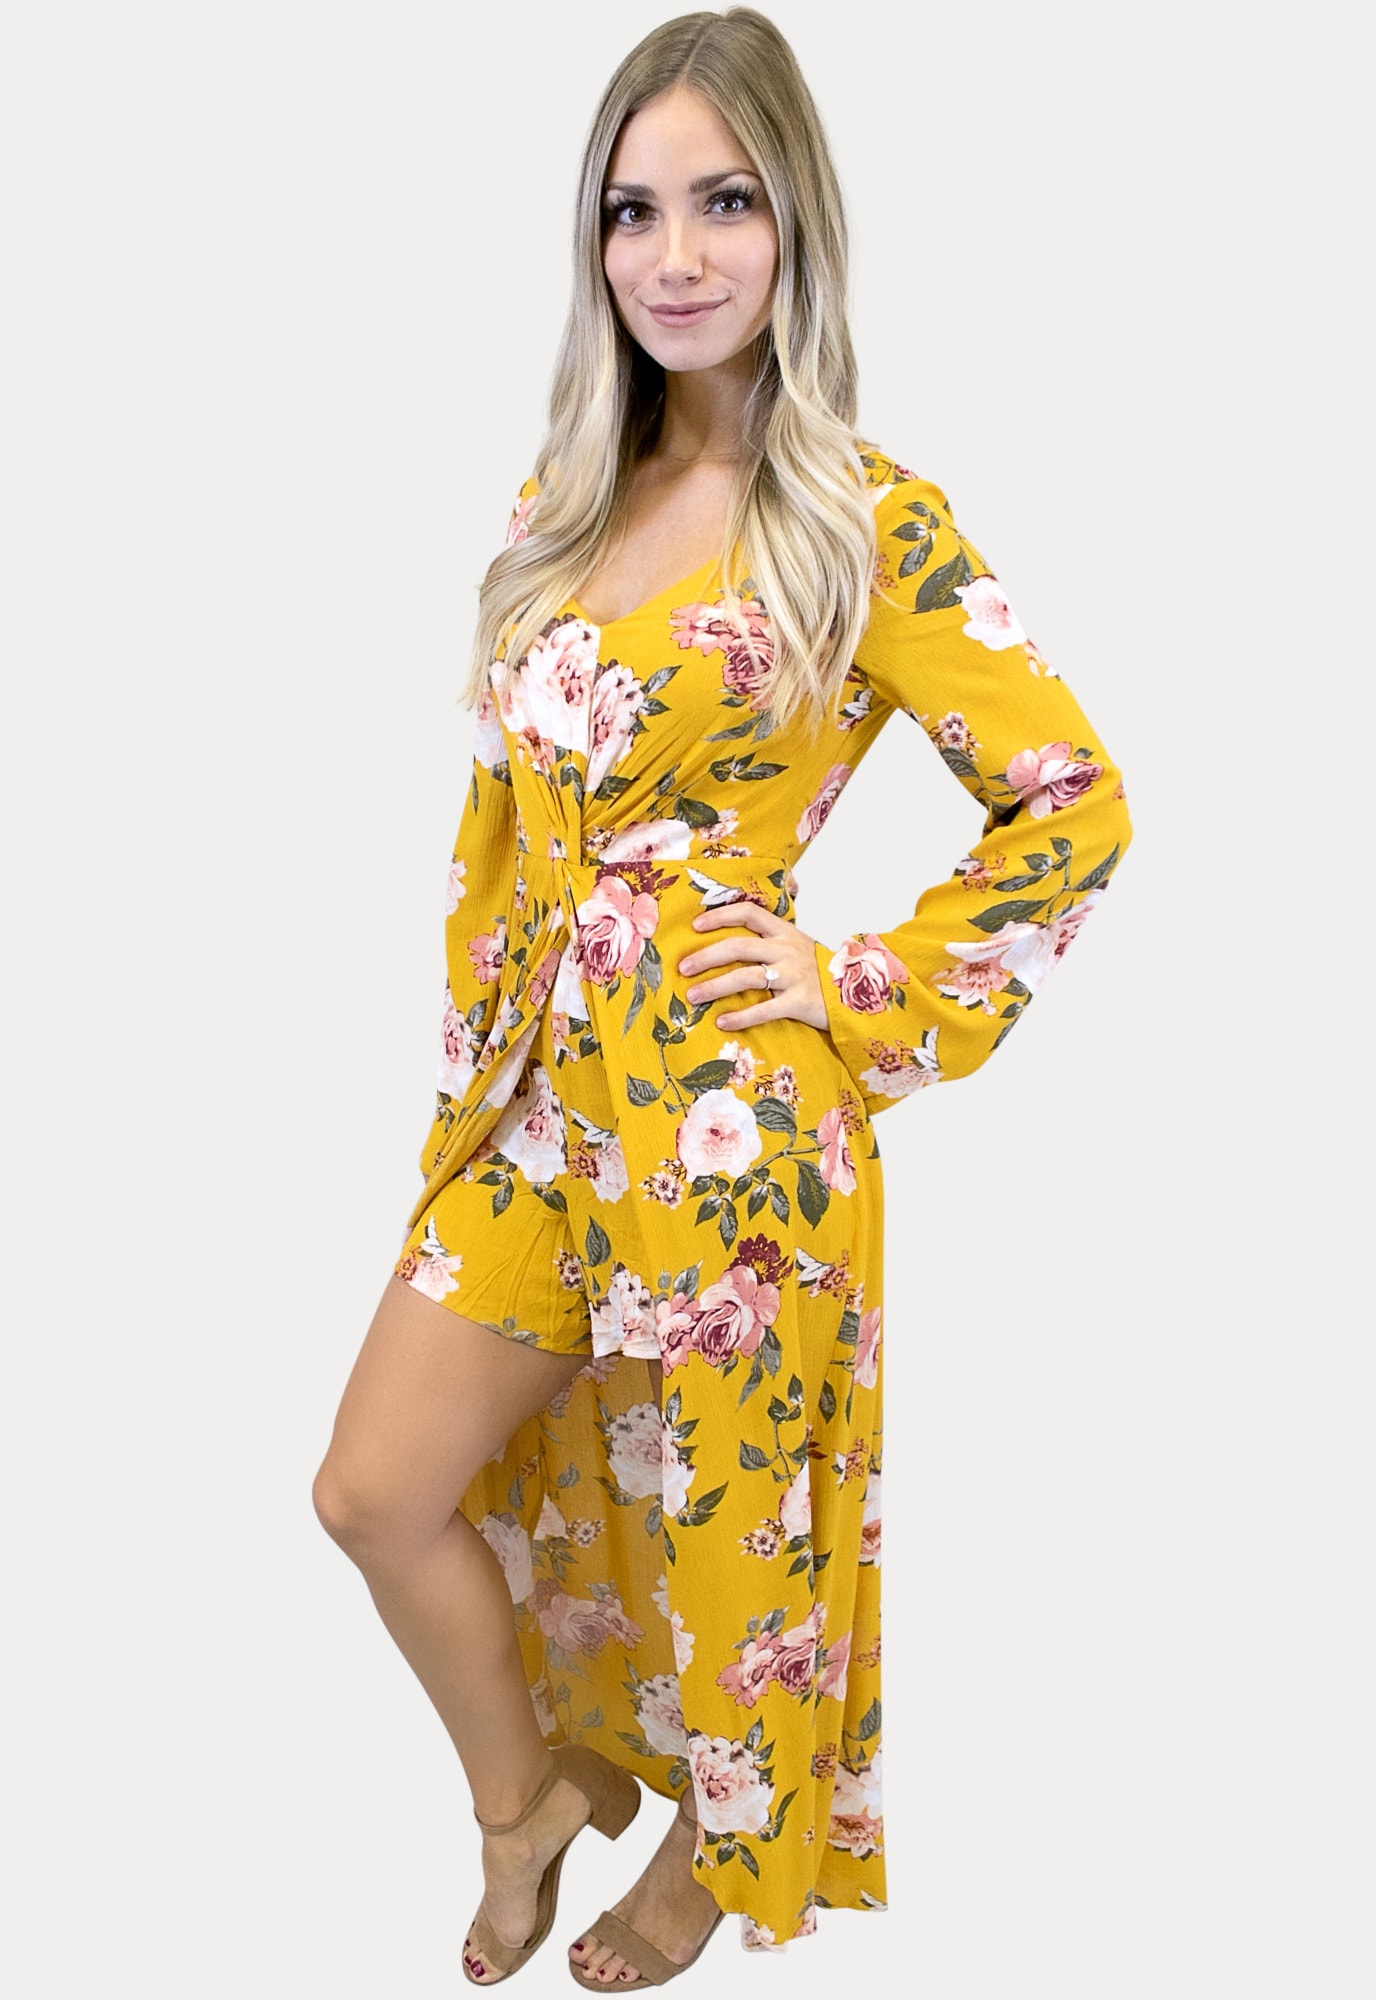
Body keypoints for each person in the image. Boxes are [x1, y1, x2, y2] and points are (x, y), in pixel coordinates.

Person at [312, 6, 1134, 1988]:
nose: (674, 255)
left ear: (797, 227)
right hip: (542, 1101)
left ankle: (714, 1842)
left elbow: (1074, 802)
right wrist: (482, 1068)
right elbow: (501, 823)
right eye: (634, 210)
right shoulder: (562, 498)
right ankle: (523, 1801)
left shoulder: (866, 518)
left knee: (728, 1522)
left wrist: (856, 985)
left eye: (724, 203)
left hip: (731, 1123)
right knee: (374, 1487)